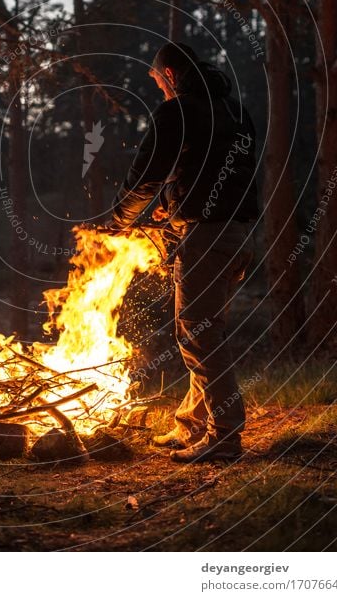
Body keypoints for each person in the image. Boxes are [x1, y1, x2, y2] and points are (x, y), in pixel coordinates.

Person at [106, 42, 258, 463]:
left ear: (169, 75)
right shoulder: (234, 111)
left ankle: (224, 436)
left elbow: (146, 176)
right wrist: (174, 211)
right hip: (240, 233)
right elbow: (218, 174)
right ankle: (191, 424)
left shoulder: (178, 111)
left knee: (197, 332)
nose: (159, 91)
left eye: (157, 82)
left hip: (208, 236)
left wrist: (117, 222)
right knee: (206, 329)